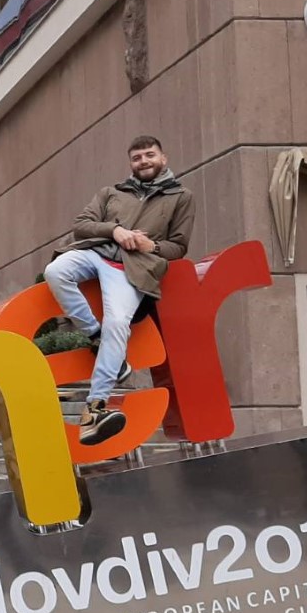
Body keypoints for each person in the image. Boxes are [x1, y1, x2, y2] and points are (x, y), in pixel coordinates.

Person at [43, 135, 195, 446]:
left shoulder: (182, 196)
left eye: (150, 155)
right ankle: (95, 337)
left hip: (133, 267)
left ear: (163, 158)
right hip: (95, 253)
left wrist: (149, 244)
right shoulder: (111, 192)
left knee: (117, 322)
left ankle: (95, 409)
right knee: (55, 271)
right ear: (131, 163)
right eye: (137, 157)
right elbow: (81, 224)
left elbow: (178, 247)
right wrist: (115, 230)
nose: (144, 162)